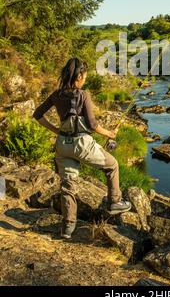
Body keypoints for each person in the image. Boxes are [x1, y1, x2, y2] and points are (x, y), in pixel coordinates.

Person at [33, 57, 131, 239]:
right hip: (82, 145)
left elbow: (37, 114)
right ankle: (114, 203)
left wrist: (56, 130)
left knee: (68, 186)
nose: (85, 79)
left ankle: (68, 227)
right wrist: (109, 134)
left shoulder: (56, 95)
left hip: (62, 146)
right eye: (84, 76)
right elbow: (92, 125)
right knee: (112, 165)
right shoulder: (84, 95)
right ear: (78, 76)